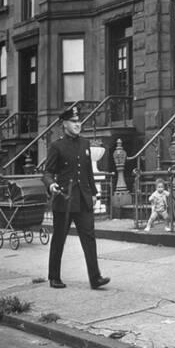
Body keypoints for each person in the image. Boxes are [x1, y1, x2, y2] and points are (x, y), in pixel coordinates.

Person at [42, 105, 110, 290]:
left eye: (79, 121)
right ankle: (54, 277)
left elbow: (88, 172)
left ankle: (95, 278)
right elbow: (47, 172)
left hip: (83, 199)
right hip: (64, 199)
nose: (78, 124)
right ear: (65, 124)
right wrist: (51, 184)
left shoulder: (85, 143)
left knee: (89, 238)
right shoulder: (56, 146)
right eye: (73, 121)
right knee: (59, 239)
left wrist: (94, 194)